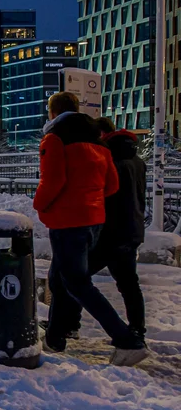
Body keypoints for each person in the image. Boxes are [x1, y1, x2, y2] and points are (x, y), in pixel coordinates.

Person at [35, 92, 147, 367]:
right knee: (60, 279)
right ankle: (55, 337)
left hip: (67, 221)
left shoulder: (54, 139)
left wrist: (39, 205)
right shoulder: (99, 144)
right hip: (93, 220)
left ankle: (127, 340)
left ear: (52, 113)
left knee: (77, 283)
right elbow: (111, 186)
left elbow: (53, 181)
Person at [50, 117, 147, 340]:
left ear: (103, 135)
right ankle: (137, 329)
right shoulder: (137, 160)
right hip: (132, 229)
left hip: (108, 232)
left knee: (72, 281)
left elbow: (107, 193)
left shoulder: (107, 158)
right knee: (129, 284)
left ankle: (67, 327)